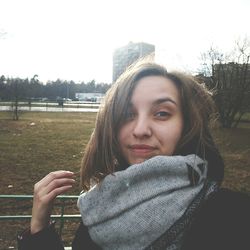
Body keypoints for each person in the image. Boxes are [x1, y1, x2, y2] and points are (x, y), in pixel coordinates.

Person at [17, 60, 250, 250]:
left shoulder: (233, 217)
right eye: (128, 114)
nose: (140, 130)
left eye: (161, 113)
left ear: (186, 125)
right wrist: (39, 231)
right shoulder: (99, 210)